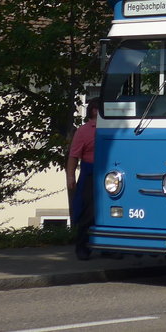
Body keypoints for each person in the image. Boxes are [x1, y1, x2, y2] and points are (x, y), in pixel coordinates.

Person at [66, 98, 100, 260]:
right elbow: (74, 155)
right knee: (89, 210)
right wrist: (71, 176)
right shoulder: (84, 131)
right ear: (94, 111)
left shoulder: (113, 128)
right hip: (91, 173)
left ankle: (108, 247)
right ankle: (82, 246)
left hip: (111, 173)